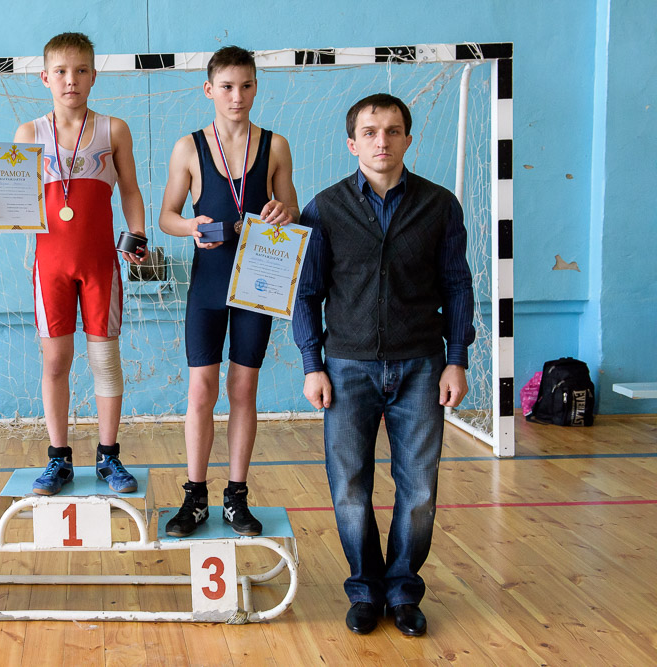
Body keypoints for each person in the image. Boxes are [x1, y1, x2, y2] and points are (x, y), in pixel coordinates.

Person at [293, 93, 475, 636]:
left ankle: (402, 591)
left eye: (393, 131)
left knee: (418, 491)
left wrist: (457, 360)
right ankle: (364, 590)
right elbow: (306, 294)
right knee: (350, 489)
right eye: (370, 132)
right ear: (352, 144)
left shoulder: (440, 206)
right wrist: (312, 363)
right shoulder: (324, 209)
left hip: (422, 367)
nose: (382, 141)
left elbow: (458, 286)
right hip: (346, 369)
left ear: (408, 140)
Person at [0, 32, 148, 495]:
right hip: (50, 267)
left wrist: (138, 231)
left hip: (100, 264)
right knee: (56, 361)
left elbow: (130, 189)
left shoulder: (114, 129)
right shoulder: (29, 134)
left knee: (105, 359)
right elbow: (10, 200)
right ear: (45, 78)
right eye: (61, 72)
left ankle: (108, 456)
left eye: (81, 70)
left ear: (93, 76)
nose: (71, 80)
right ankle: (58, 457)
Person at [158, 45, 298, 536]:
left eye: (246, 86)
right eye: (227, 86)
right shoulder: (188, 147)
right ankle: (195, 496)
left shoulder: (275, 146)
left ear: (256, 87)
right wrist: (189, 227)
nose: (237, 96)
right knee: (201, 389)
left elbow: (292, 210)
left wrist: (283, 212)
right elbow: (167, 216)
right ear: (209, 90)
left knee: (243, 389)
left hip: (258, 282)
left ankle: (236, 496)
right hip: (209, 283)